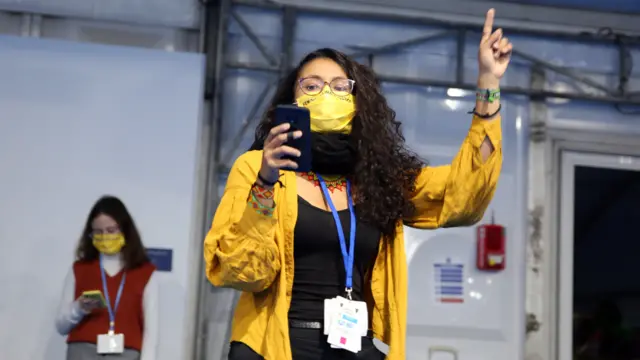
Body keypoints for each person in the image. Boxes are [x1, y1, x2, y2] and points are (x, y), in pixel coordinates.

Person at [204, 9, 511, 360]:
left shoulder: (382, 176)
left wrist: (489, 82)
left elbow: (465, 195)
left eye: (339, 87)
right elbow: (240, 271)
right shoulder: (257, 167)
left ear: (358, 102)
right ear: (293, 99)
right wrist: (265, 182)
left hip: (353, 347)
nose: (326, 94)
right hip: (276, 346)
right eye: (312, 85)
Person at [55, 195, 158, 360]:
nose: (105, 236)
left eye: (111, 230)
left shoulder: (145, 272)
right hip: (82, 351)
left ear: (125, 230)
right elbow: (61, 326)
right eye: (98, 232)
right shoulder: (79, 269)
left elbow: (151, 332)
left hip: (126, 353)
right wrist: (79, 308)